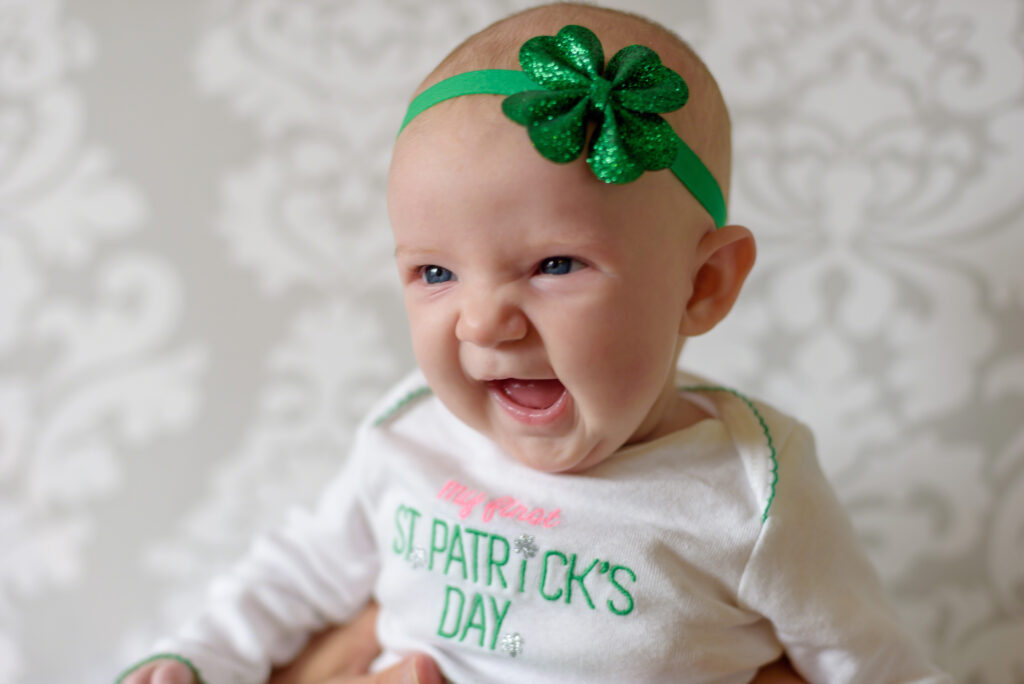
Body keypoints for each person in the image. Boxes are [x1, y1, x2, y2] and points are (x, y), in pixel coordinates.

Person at [118, 3, 950, 683]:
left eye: (554, 264)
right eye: (435, 273)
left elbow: (876, 666)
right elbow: (297, 571)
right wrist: (196, 658)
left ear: (703, 286)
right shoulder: (408, 433)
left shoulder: (748, 489)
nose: (482, 323)